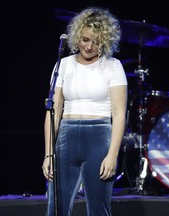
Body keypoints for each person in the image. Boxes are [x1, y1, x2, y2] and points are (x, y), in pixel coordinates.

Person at [42, 7, 128, 216]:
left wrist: (112, 155)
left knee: (99, 209)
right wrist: (48, 154)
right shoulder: (63, 65)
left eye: (97, 42)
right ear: (77, 36)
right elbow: (54, 111)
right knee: (56, 208)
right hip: (66, 137)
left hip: (99, 138)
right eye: (85, 39)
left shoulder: (113, 67)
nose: (89, 47)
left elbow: (118, 115)